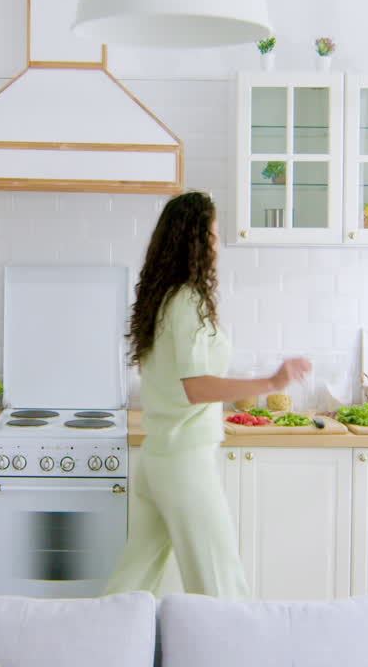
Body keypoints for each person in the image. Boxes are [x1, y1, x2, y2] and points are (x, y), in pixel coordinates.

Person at [103, 191, 311, 599]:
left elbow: (167, 378)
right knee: (220, 584)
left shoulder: (159, 299)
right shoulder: (186, 301)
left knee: (132, 584)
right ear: (197, 241)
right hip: (183, 462)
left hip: (158, 457)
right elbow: (195, 387)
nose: (217, 243)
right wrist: (271, 383)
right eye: (214, 233)